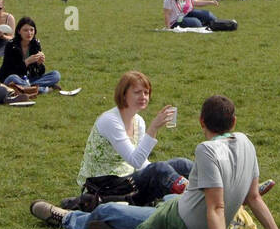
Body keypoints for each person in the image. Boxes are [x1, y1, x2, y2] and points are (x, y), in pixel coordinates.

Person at [33, 94, 280, 229]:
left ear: (201, 121)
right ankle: (140, 212)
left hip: (185, 225)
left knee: (111, 213)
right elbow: (254, 197)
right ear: (234, 121)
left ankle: (69, 218)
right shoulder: (246, 140)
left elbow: (216, 207)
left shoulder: (206, 149)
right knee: (168, 196)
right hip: (184, 209)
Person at [72, 70, 194, 202]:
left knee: (181, 164)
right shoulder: (110, 120)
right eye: (137, 92)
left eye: (146, 93)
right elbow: (134, 161)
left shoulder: (138, 121)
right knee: (159, 169)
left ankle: (213, 187)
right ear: (123, 95)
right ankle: (192, 199)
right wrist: (153, 128)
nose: (143, 97)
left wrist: (156, 172)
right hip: (103, 184)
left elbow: (141, 163)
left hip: (127, 179)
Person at [0, 16, 62, 91]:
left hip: (27, 79)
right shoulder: (11, 45)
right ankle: (42, 89)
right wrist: (27, 62)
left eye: (31, 30)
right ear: (19, 31)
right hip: (10, 78)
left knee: (56, 75)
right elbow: (10, 70)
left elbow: (38, 73)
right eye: (25, 30)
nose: (29, 33)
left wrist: (39, 64)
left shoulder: (35, 44)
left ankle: (28, 88)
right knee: (13, 78)